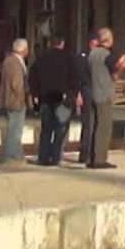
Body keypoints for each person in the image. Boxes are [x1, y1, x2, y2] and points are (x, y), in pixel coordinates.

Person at [28, 35, 79, 166]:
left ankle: (43, 157)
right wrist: (74, 94)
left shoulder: (41, 58)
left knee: (46, 129)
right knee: (61, 128)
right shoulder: (69, 58)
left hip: (45, 99)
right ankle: (56, 157)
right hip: (62, 99)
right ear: (62, 43)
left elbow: (32, 77)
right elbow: (74, 78)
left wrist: (36, 94)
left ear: (50, 44)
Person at [87, 27, 125, 169]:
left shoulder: (92, 54)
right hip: (104, 94)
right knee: (104, 127)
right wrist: (123, 65)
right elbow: (115, 72)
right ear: (109, 40)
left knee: (94, 126)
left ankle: (91, 157)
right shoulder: (107, 55)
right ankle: (100, 159)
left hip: (93, 92)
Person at [0, 38, 30, 164]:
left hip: (11, 99)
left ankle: (17, 154)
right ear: (23, 49)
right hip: (15, 101)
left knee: (14, 128)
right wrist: (22, 98)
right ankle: (11, 156)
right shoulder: (14, 62)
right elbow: (16, 83)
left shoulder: (10, 60)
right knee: (15, 129)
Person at [76, 33, 99, 164]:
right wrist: (78, 94)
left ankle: (93, 153)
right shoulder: (82, 57)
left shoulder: (99, 58)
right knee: (87, 124)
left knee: (96, 124)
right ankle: (84, 154)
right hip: (86, 91)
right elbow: (79, 77)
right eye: (95, 45)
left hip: (97, 92)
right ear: (90, 44)